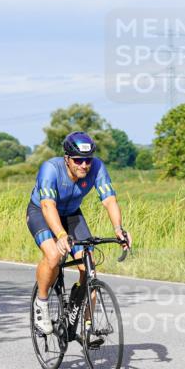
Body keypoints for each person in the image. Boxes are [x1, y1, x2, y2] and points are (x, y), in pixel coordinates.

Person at [26, 131, 130, 336]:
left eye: (87, 160)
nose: (84, 165)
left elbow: (109, 200)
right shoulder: (50, 169)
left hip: (72, 214)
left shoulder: (97, 167)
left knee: (89, 268)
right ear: (67, 159)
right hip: (42, 212)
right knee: (54, 256)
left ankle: (87, 326)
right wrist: (61, 235)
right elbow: (48, 205)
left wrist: (119, 229)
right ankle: (42, 303)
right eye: (78, 160)